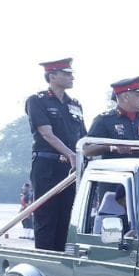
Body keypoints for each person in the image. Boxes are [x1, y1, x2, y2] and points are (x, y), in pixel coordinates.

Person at [26, 58, 87, 251]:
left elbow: (83, 138)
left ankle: (61, 262)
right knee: (47, 216)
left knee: (66, 217)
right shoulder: (37, 100)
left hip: (70, 168)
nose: (72, 77)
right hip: (48, 166)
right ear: (52, 76)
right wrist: (71, 154)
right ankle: (45, 264)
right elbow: (46, 133)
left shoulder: (75, 104)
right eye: (66, 73)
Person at [85, 76, 139, 158]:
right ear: (125, 97)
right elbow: (87, 149)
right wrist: (111, 147)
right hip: (117, 170)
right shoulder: (104, 120)